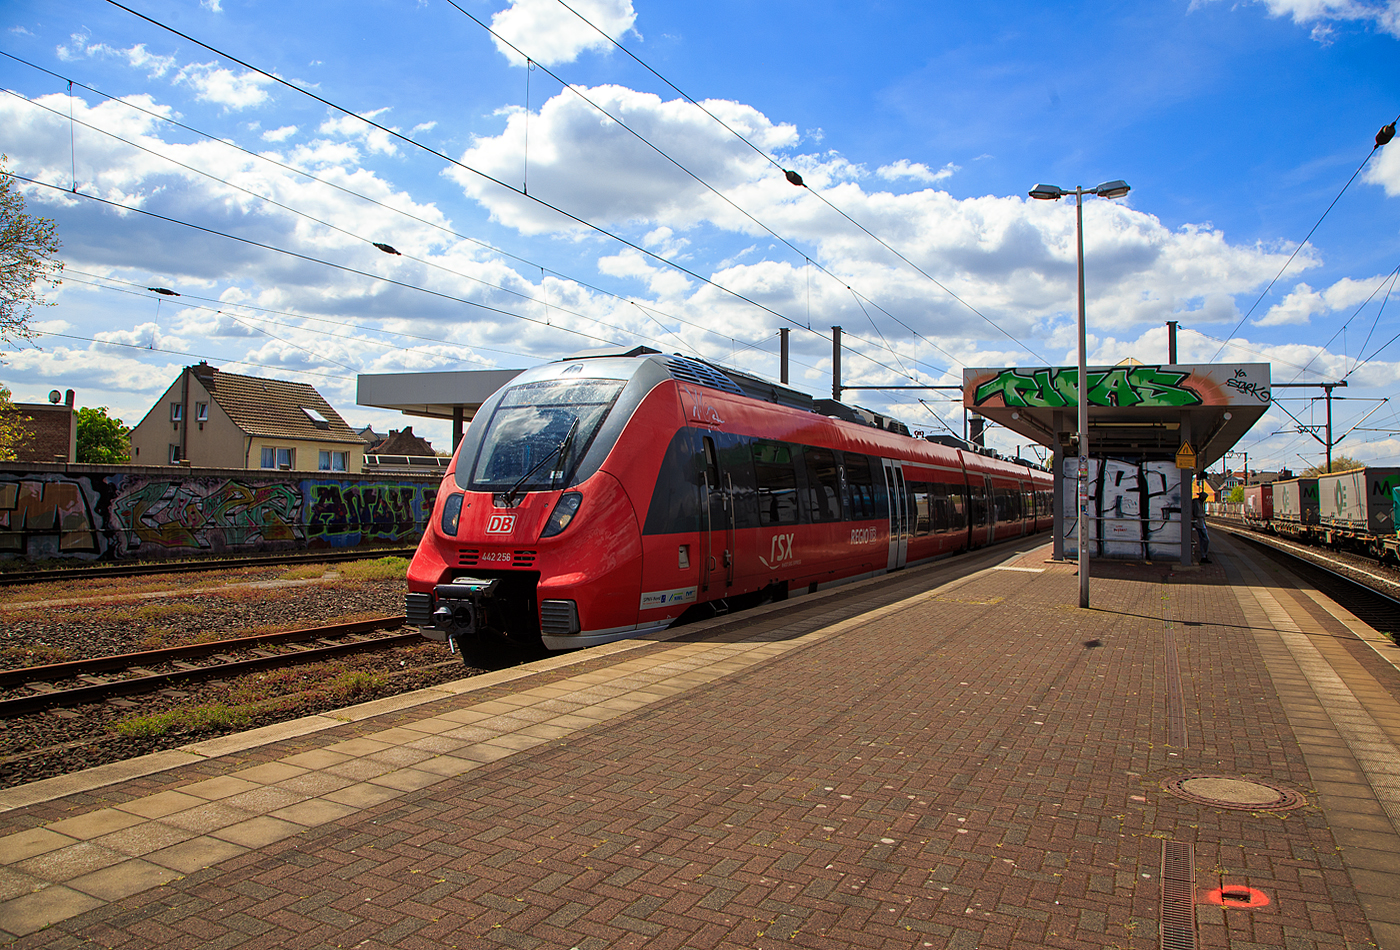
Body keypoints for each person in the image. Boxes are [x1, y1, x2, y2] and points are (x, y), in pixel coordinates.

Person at [1193, 492, 1210, 564]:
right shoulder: (1197, 503)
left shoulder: (1198, 502)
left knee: (1205, 539)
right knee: (1205, 539)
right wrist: (1204, 515)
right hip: (1199, 524)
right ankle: (1203, 556)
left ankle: (1204, 555)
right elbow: (1197, 514)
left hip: (1200, 524)